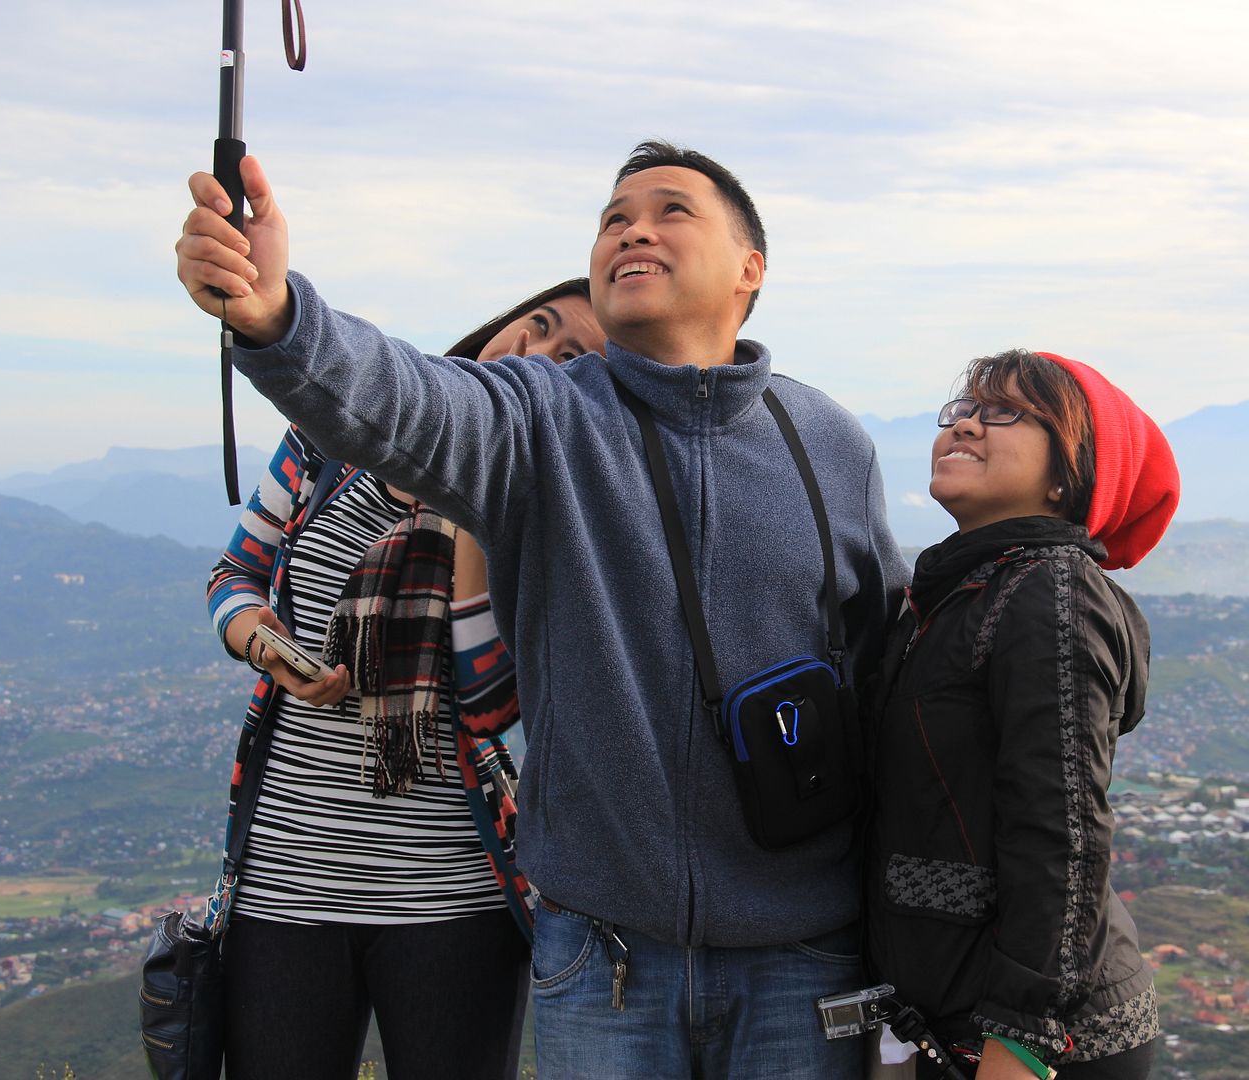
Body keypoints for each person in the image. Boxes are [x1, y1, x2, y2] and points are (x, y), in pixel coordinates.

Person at [177, 141, 909, 1078]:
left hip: (802, 951)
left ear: (750, 268)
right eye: (614, 217)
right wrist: (278, 315)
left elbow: (886, 671)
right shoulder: (541, 420)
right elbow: (402, 399)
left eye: (671, 211)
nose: (633, 227)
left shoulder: (827, 444)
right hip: (603, 956)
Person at [205, 279, 604, 1080]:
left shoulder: (548, 505)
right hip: (286, 878)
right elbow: (234, 575)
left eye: (569, 359)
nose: (533, 352)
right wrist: (266, 648)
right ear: (505, 319)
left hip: (451, 896)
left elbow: (491, 701)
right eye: (538, 324)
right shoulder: (329, 438)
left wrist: (470, 493)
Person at [863, 349, 1178, 1080]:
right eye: (962, 410)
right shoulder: (954, 594)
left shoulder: (1048, 595)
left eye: (1004, 412)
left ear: (1069, 473)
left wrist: (1021, 1038)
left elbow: (1061, 830)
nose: (966, 424)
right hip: (948, 1017)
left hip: (1036, 1042)